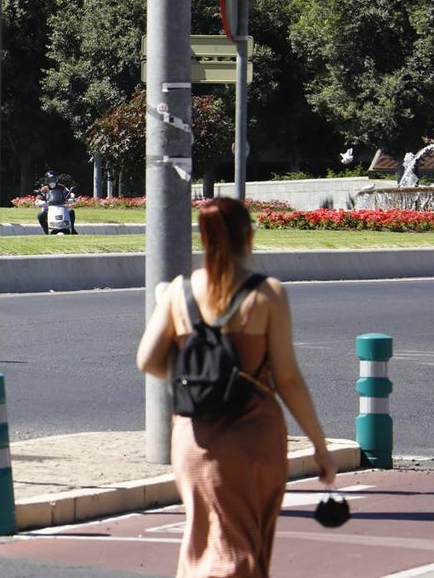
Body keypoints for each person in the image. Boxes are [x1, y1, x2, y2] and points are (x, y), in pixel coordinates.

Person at [135, 197, 337, 578]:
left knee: (200, 543)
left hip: (193, 437)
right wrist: (320, 447)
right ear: (248, 236)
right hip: (253, 436)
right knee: (241, 552)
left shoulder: (179, 292)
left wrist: (196, 378)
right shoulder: (267, 294)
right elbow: (288, 379)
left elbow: (147, 359)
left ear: (205, 238)